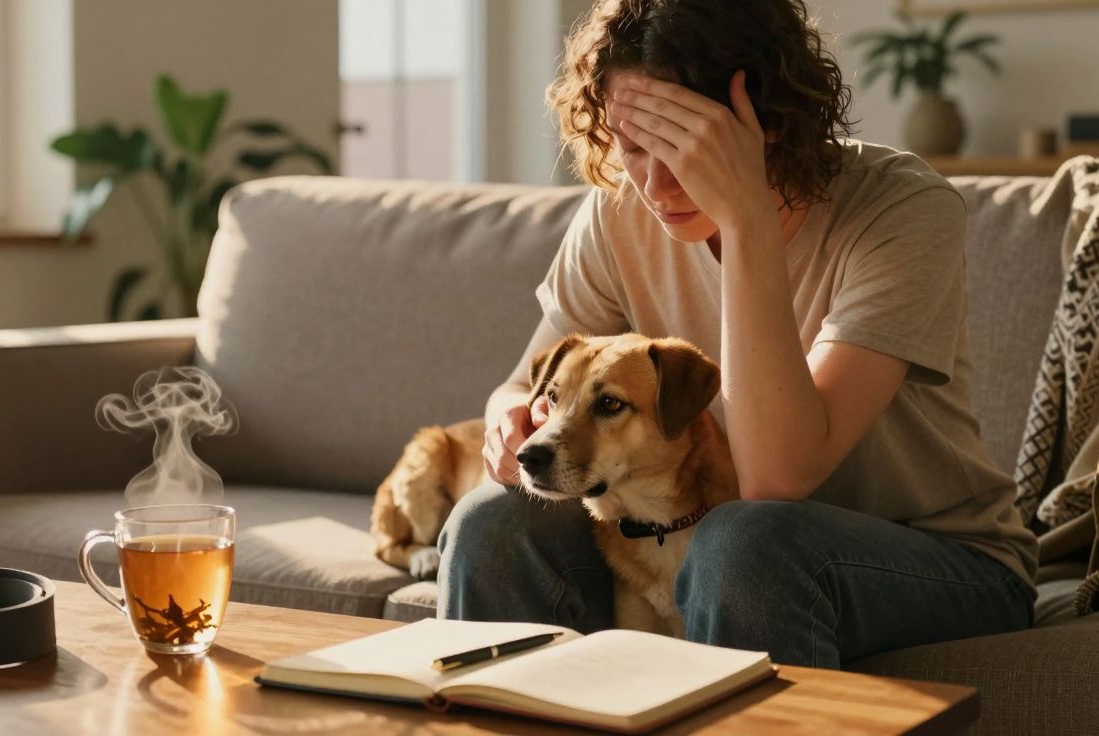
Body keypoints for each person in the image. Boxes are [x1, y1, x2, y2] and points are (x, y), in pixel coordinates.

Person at [436, 0, 1038, 669]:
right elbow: (520, 385)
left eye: (682, 151)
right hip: (728, 536)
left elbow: (776, 478)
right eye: (634, 149)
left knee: (746, 543)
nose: (656, 186)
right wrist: (511, 422)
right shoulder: (618, 214)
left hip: (939, 558)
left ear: (770, 121)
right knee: (491, 522)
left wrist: (746, 215)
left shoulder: (901, 211)